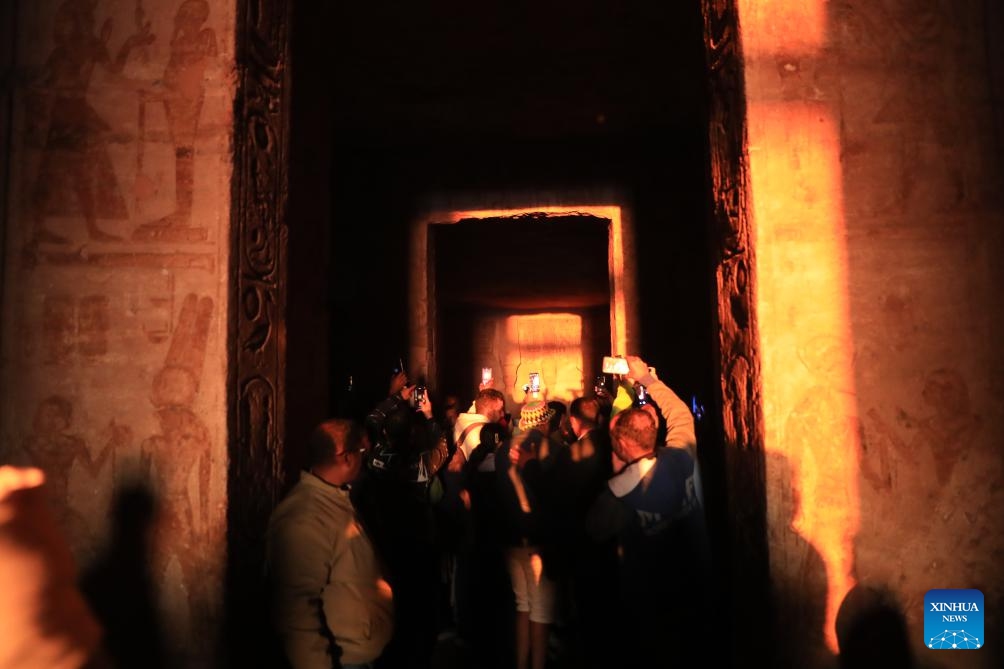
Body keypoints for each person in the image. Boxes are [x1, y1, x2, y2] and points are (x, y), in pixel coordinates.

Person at [585, 359, 711, 668]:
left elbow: (593, 531)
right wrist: (647, 379)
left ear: (623, 444)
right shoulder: (681, 455)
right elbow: (681, 414)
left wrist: (616, 469)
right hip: (696, 583)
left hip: (649, 601)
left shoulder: (618, 494)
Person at [265, 420, 393, 669]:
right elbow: (297, 610)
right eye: (362, 453)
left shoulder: (336, 499)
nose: (365, 460)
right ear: (346, 458)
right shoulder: (306, 517)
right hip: (342, 660)